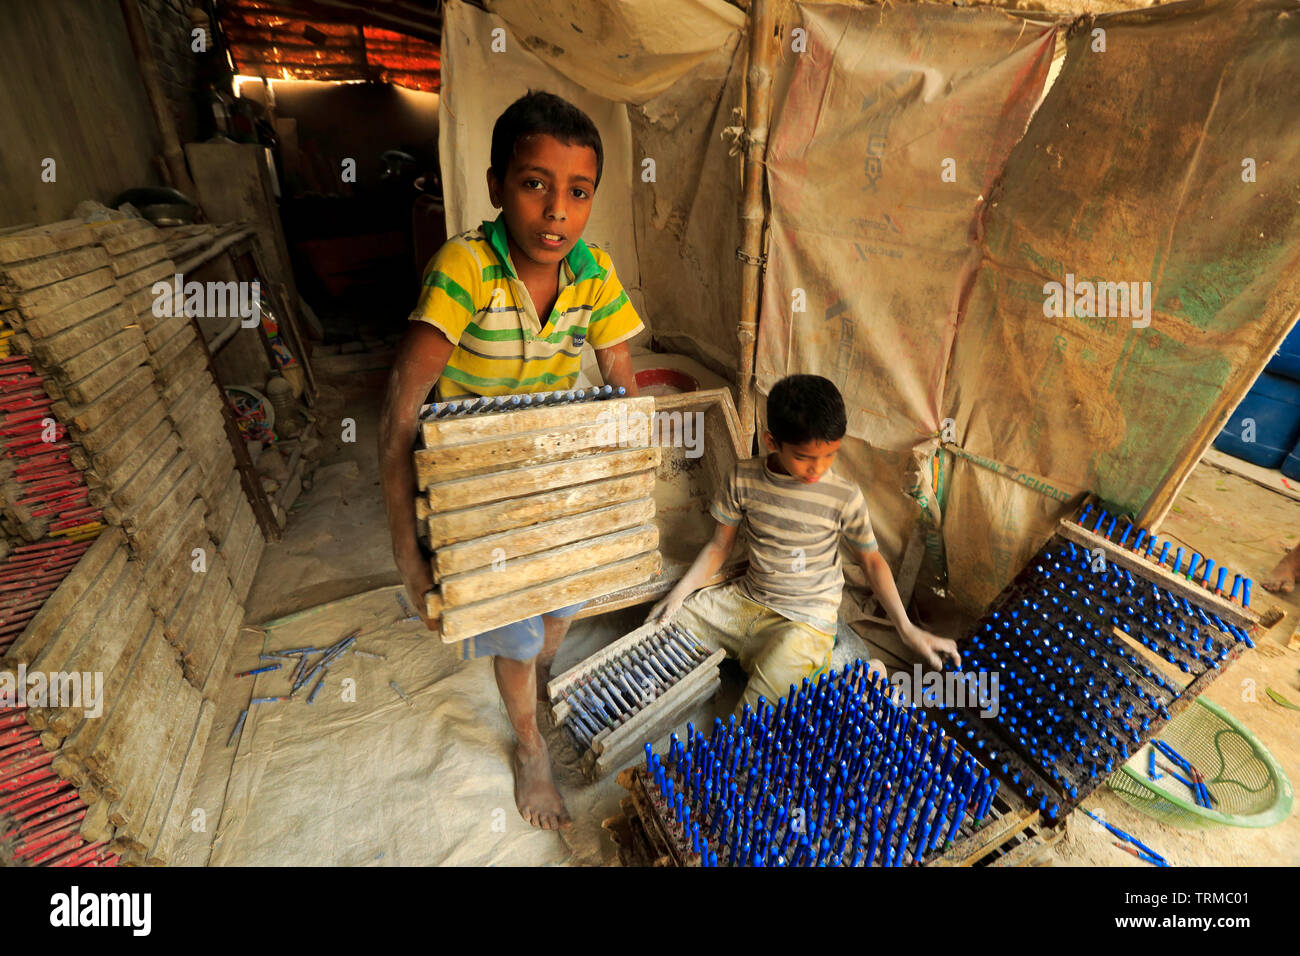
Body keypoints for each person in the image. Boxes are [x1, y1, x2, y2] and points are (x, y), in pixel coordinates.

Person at [379, 91, 643, 831]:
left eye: (578, 192)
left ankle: (536, 677)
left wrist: (617, 491)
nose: (557, 211)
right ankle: (529, 745)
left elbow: (623, 381)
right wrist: (409, 546)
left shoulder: (593, 272)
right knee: (517, 631)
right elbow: (402, 409)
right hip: (472, 488)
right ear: (496, 185)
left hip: (550, 476)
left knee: (558, 606)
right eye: (535, 184)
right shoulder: (465, 269)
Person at [646, 374, 960, 712]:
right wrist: (678, 595)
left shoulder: (843, 496)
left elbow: (871, 562)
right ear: (771, 441)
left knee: (752, 720)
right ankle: (826, 671)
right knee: (658, 636)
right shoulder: (743, 477)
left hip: (805, 621)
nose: (818, 469)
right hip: (747, 600)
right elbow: (719, 546)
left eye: (829, 456)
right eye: (804, 457)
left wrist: (907, 629)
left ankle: (838, 670)